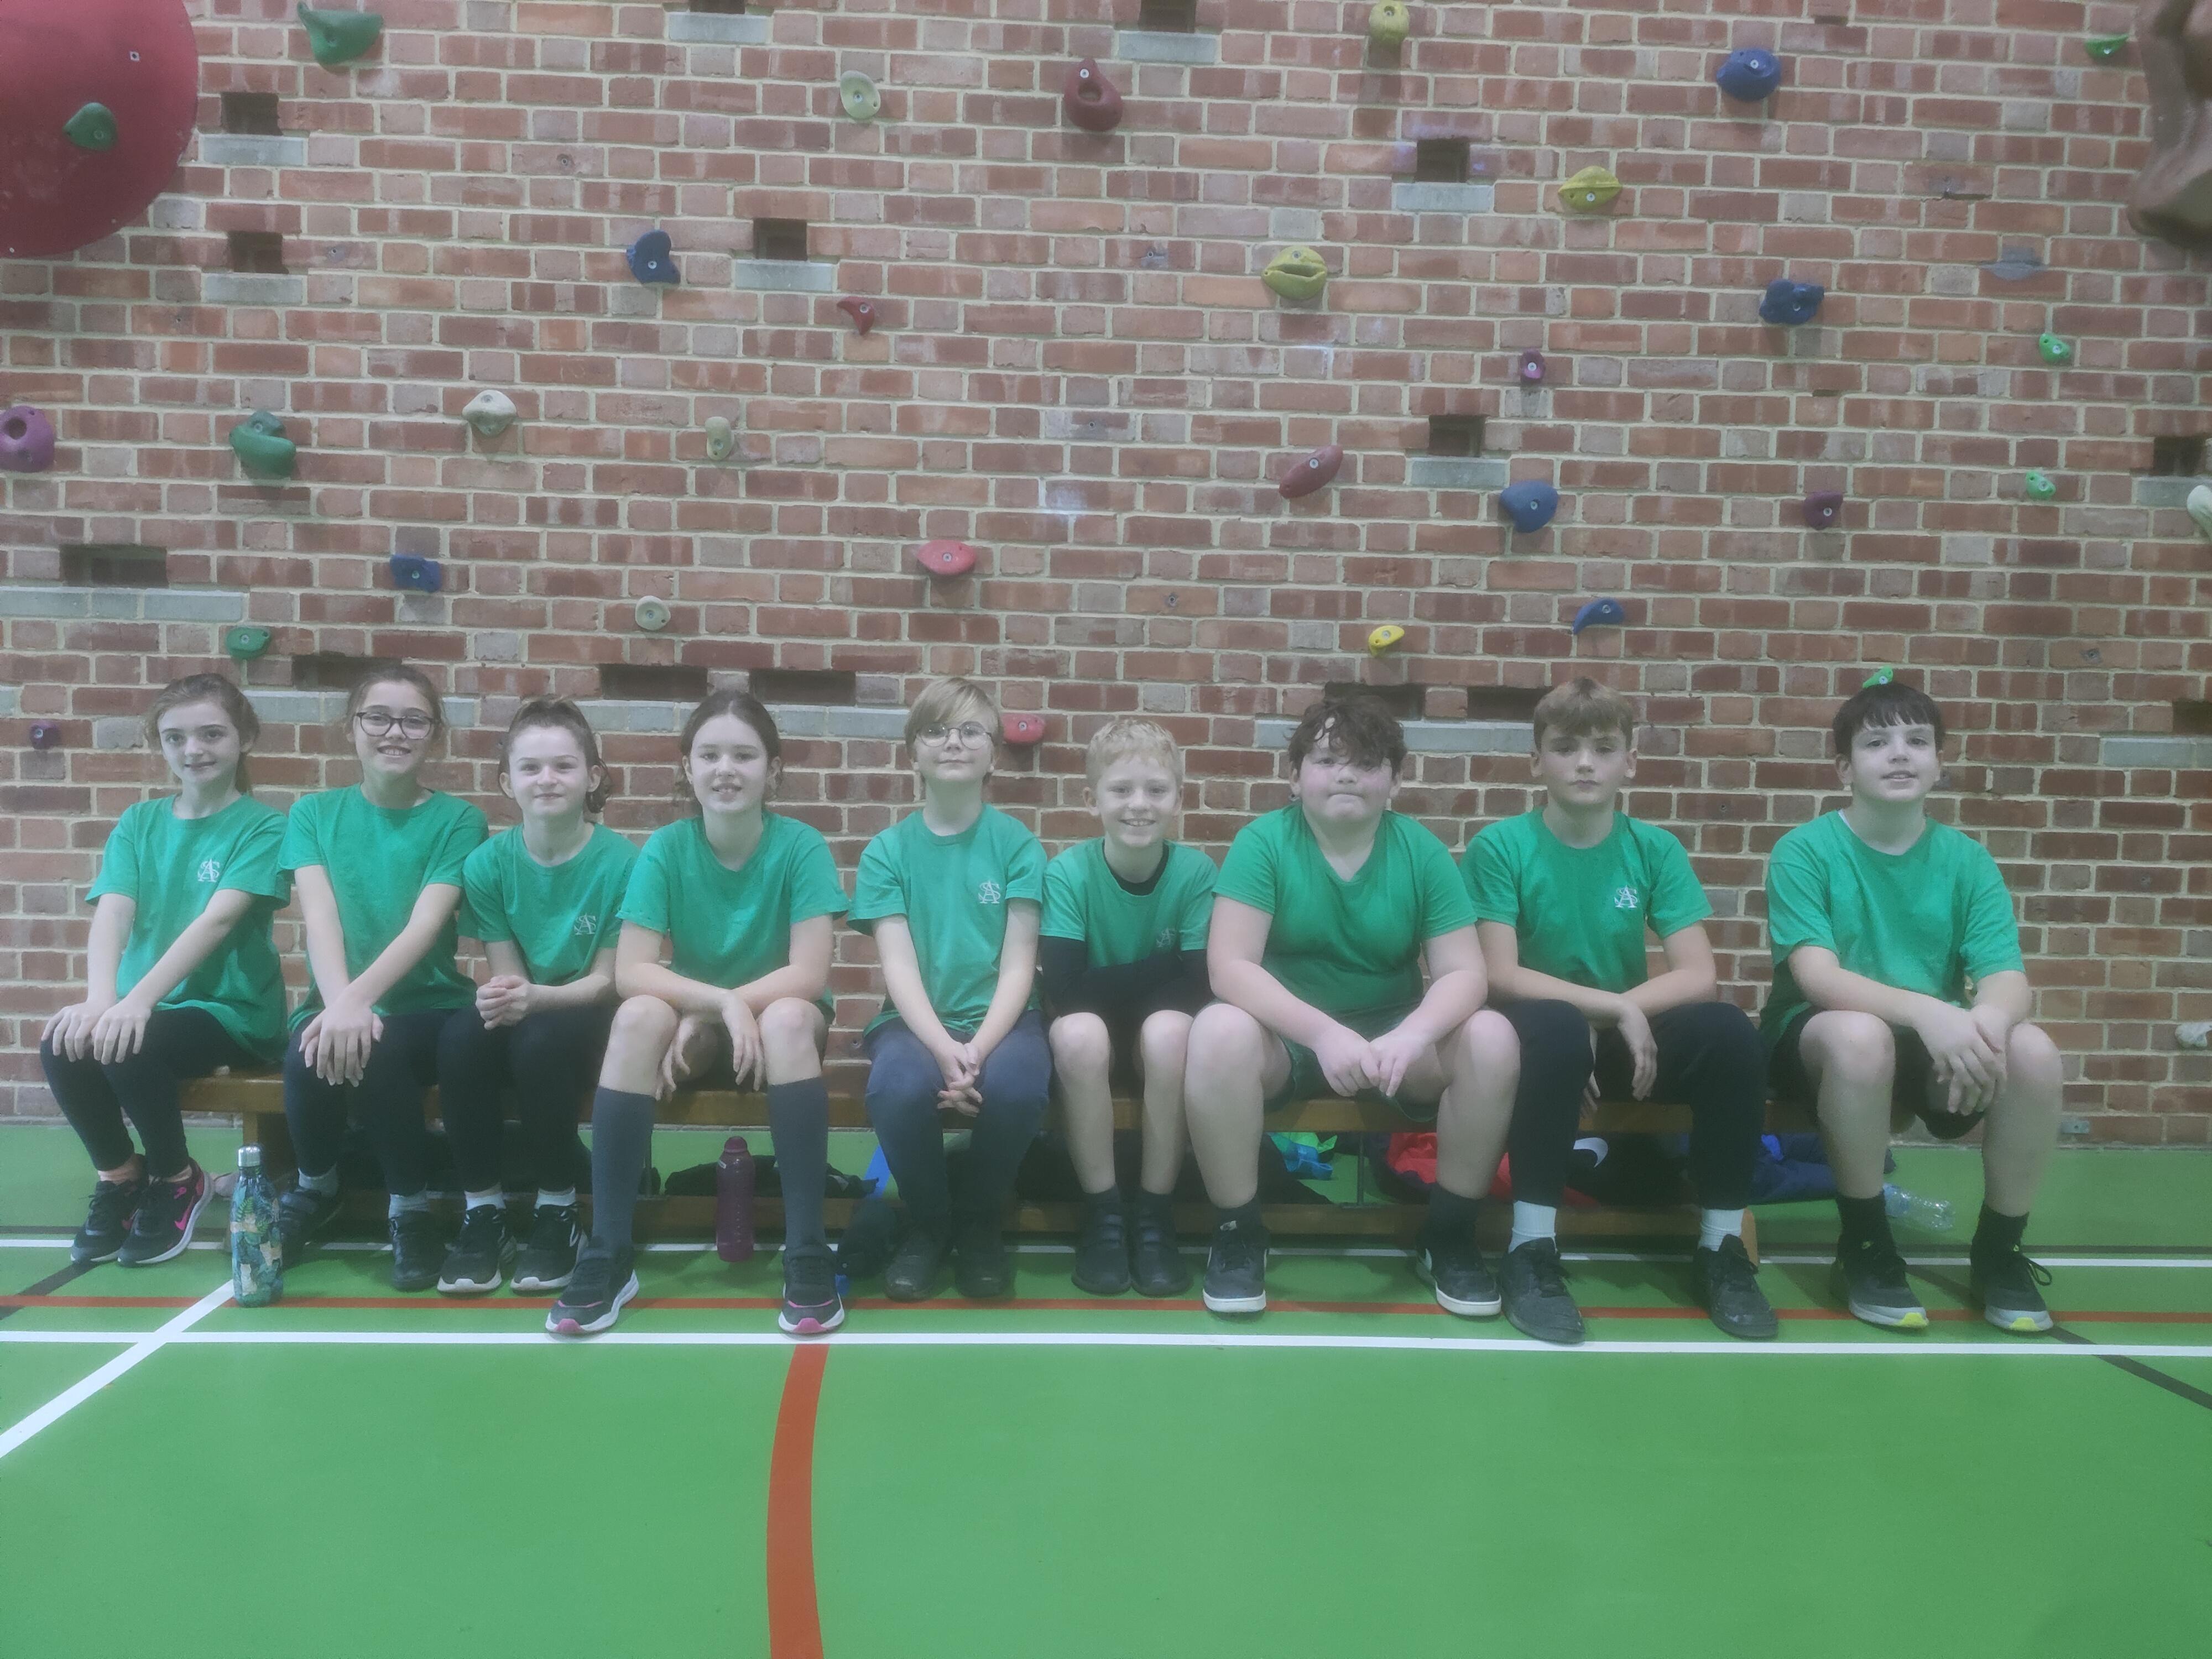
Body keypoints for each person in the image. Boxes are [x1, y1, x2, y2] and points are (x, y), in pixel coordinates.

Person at [1183, 692, 1550, 1332]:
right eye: (1327, 760)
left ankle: (1448, 1236)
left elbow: (1465, 973)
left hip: (1395, 1044)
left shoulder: (1421, 852)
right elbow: (1230, 967)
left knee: (1491, 1036)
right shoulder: (1263, 843)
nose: (1346, 775)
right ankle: (1239, 1233)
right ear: (1294, 776)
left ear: (1395, 781)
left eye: (1366, 762)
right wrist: (1324, 1035)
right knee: (1216, 1029)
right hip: (1289, 1040)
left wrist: (1413, 1036)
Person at [1465, 678, 1776, 1340]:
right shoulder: (1501, 846)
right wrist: (1602, 1009)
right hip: (1540, 1039)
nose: (1585, 763)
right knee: (1556, 1026)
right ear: (1536, 761)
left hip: (1621, 1043)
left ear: (1629, 762)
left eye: (1603, 749)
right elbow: (1499, 973)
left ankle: (1721, 1248)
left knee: (1728, 1033)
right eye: (1565, 748)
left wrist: (1619, 1012)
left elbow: (1698, 973)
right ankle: (1530, 1249)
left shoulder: (1653, 848)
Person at [1764, 674, 2065, 1333]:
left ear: (1938, 762)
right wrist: (1930, 1013)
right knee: (1859, 1035)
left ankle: (1999, 1251)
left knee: (2034, 1052)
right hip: (1822, 1038)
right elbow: (1817, 977)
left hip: (1935, 1039)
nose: (1899, 753)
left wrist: (1986, 1021)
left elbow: (2006, 977)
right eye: (1876, 742)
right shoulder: (1804, 851)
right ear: (1844, 768)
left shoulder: (1967, 861)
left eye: (1916, 741)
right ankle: (1865, 1245)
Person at [549, 690, 848, 1337]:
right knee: (636, 1017)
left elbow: (808, 973)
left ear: (773, 769)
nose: (726, 769)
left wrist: (736, 1005)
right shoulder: (666, 848)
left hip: (781, 1030)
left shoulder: (801, 847)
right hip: (704, 1024)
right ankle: (608, 1252)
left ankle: (806, 1251)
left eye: (744, 755)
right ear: (687, 767)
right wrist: (716, 1005)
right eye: (709, 755)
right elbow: (632, 970)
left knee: (787, 1017)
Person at [40, 674, 290, 1266]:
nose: (193, 749)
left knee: (130, 1043)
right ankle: (121, 1176)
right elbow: (114, 912)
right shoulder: (139, 822)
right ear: (161, 745)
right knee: (64, 1042)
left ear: (245, 738)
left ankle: (178, 1178)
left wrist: (138, 1002)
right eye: (176, 737)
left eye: (211, 734)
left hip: (228, 1008)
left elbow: (217, 922)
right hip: (144, 1003)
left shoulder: (264, 826)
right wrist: (101, 998)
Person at [274, 664, 487, 1290]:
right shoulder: (313, 814)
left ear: (435, 735)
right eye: (379, 718)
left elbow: (425, 926)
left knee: (378, 1046)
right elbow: (321, 919)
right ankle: (318, 1187)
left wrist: (357, 1006)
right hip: (336, 997)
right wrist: (341, 1005)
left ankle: (409, 1210)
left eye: (414, 720)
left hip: (429, 1005)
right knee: (307, 1054)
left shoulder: (459, 820)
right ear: (352, 728)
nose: (396, 732)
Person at [849, 677, 1050, 1302]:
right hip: (917, 1022)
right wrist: (943, 1048)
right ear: (913, 752)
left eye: (970, 731)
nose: (954, 742)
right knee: (895, 1087)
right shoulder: (887, 852)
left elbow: (1018, 965)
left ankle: (979, 1222)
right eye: (936, 731)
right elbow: (899, 966)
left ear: (993, 755)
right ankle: (928, 1224)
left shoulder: (1018, 845)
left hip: (1003, 1020)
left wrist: (978, 1049)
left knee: (1019, 1087)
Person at [436, 698, 635, 1296]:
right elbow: (507, 977)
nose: (546, 779)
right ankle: (483, 1212)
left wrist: (534, 1002)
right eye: (530, 767)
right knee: (461, 1038)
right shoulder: (487, 865)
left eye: (563, 766)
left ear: (591, 777)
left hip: (594, 1013)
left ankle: (558, 1209)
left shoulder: (625, 862)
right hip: (532, 1005)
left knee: (541, 1044)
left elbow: (611, 980)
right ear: (507, 782)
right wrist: (509, 1000)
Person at [1040, 717, 1215, 1296]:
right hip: (1091, 1044)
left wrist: (1114, 986)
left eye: (1156, 790)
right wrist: (1163, 970)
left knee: (1170, 1031)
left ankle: (1154, 1216)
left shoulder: (1195, 872)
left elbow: (1202, 984)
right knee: (1078, 1032)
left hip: (1156, 1045)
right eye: (1121, 790)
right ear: (1092, 800)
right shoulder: (1067, 873)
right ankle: (1105, 1217)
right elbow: (1065, 990)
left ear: (1178, 799)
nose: (1139, 804)